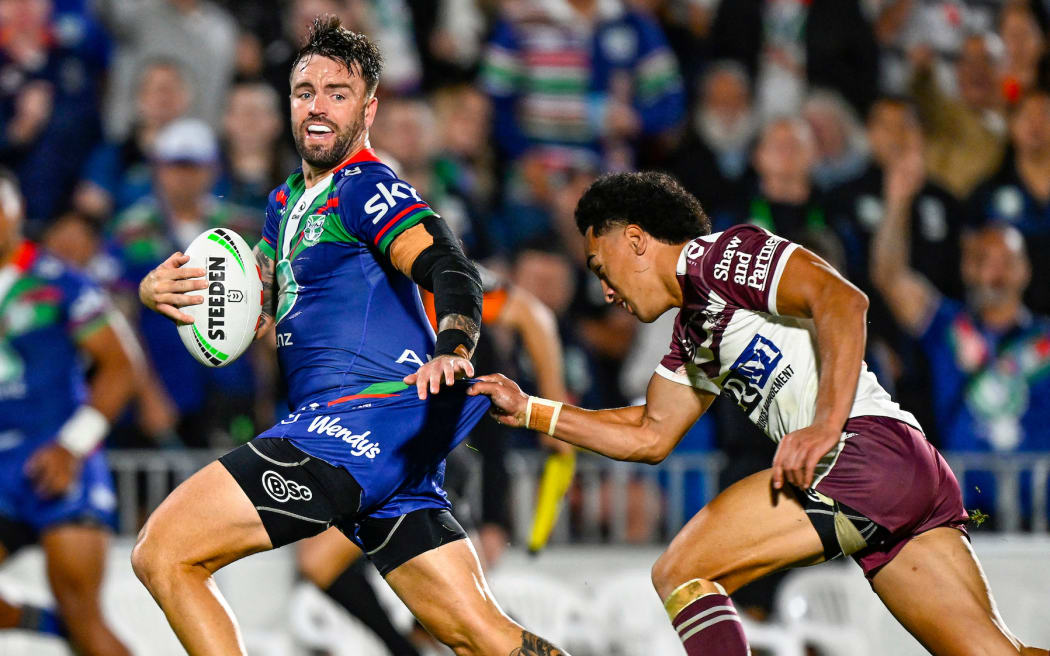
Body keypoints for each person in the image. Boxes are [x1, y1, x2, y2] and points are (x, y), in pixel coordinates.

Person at [470, 171, 1048, 656]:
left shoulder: (722, 257)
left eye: (601, 267)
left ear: (637, 241)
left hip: (859, 454)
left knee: (682, 572)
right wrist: (531, 411)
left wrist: (824, 427)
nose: (606, 293)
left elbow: (843, 300)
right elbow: (649, 435)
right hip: (898, 472)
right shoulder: (695, 328)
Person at [131, 17, 567, 656]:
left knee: (163, 553)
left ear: (368, 108)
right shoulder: (286, 205)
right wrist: (159, 292)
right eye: (304, 90)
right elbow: (253, 303)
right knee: (485, 640)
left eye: (337, 92)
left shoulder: (365, 186)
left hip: (353, 427)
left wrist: (454, 348)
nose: (317, 104)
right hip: (386, 452)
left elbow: (450, 269)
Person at [872, 140, 1050, 527]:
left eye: (1007, 261)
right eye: (985, 261)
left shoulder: (1046, 340)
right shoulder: (948, 325)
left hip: (1041, 513)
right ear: (968, 269)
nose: (996, 272)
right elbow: (889, 276)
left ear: (1026, 271)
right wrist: (898, 199)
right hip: (970, 511)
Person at [0, 170, 137, 655]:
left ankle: (73, 629)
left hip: (58, 455)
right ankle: (49, 627)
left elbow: (122, 367)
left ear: (15, 211)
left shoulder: (58, 281)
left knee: (83, 611)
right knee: (73, 622)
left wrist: (72, 447)